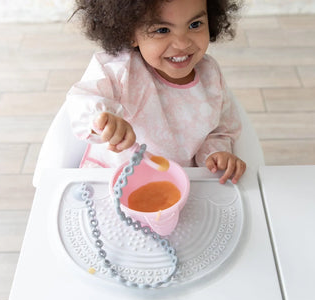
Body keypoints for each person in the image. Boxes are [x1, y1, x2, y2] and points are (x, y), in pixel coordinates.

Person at [66, 0, 246, 184]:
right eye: (162, 30)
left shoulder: (211, 75)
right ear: (130, 32)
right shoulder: (119, 69)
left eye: (195, 24)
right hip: (115, 179)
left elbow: (219, 130)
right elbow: (83, 99)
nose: (182, 43)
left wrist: (216, 153)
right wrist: (103, 121)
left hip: (180, 183)